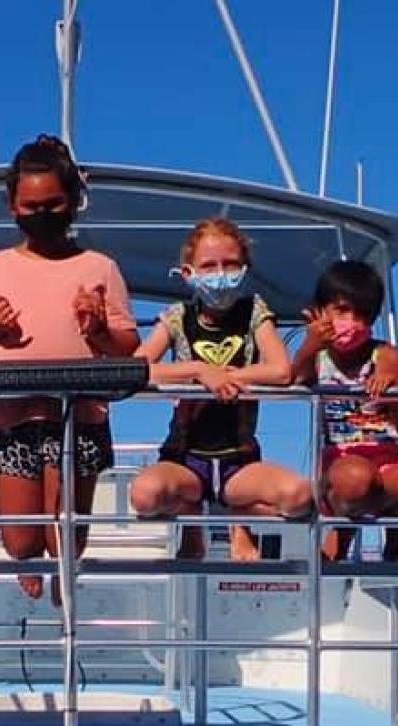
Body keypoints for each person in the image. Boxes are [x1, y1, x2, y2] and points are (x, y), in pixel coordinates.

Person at [0, 134, 139, 602]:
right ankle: (30, 565)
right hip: (12, 417)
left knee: (66, 531)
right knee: (21, 540)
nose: (42, 214)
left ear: (73, 202)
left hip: (78, 416)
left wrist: (100, 329)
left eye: (53, 204)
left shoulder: (100, 267)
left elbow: (128, 346)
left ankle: (65, 582)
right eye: (31, 205)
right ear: (12, 206)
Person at [130, 217, 312, 560]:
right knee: (144, 496)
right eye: (209, 266)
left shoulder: (254, 312)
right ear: (188, 273)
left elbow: (281, 369)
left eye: (230, 265)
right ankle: (194, 522)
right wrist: (199, 371)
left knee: (299, 497)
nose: (220, 273)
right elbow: (138, 369)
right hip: (186, 458)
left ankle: (238, 518)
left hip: (238, 460)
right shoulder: (176, 317)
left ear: (244, 269)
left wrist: (235, 377)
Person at [291, 260, 398, 560]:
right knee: (355, 481)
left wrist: (390, 379)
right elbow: (294, 376)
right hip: (343, 463)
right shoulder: (318, 358)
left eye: (362, 314)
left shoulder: (385, 353)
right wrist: (310, 344)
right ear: (321, 311)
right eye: (341, 310)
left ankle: (397, 527)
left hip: (390, 460)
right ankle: (346, 532)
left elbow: (392, 362)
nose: (351, 321)